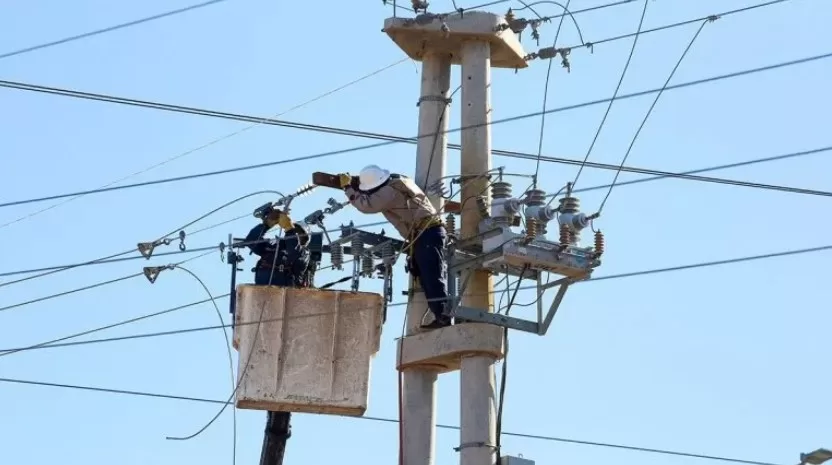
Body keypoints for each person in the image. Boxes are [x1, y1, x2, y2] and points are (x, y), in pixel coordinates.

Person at [340, 164, 451, 329]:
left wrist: (348, 188)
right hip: (425, 234)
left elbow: (365, 206)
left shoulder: (387, 192)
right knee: (425, 275)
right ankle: (440, 314)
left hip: (427, 233)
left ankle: (444, 316)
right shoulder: (398, 182)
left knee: (431, 275)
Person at [243, 207, 312, 465]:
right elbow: (252, 241)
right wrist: (268, 225)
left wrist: (291, 229)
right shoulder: (272, 247)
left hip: (282, 302)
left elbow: (296, 254)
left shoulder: (301, 253)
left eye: (298, 234)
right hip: (263, 300)